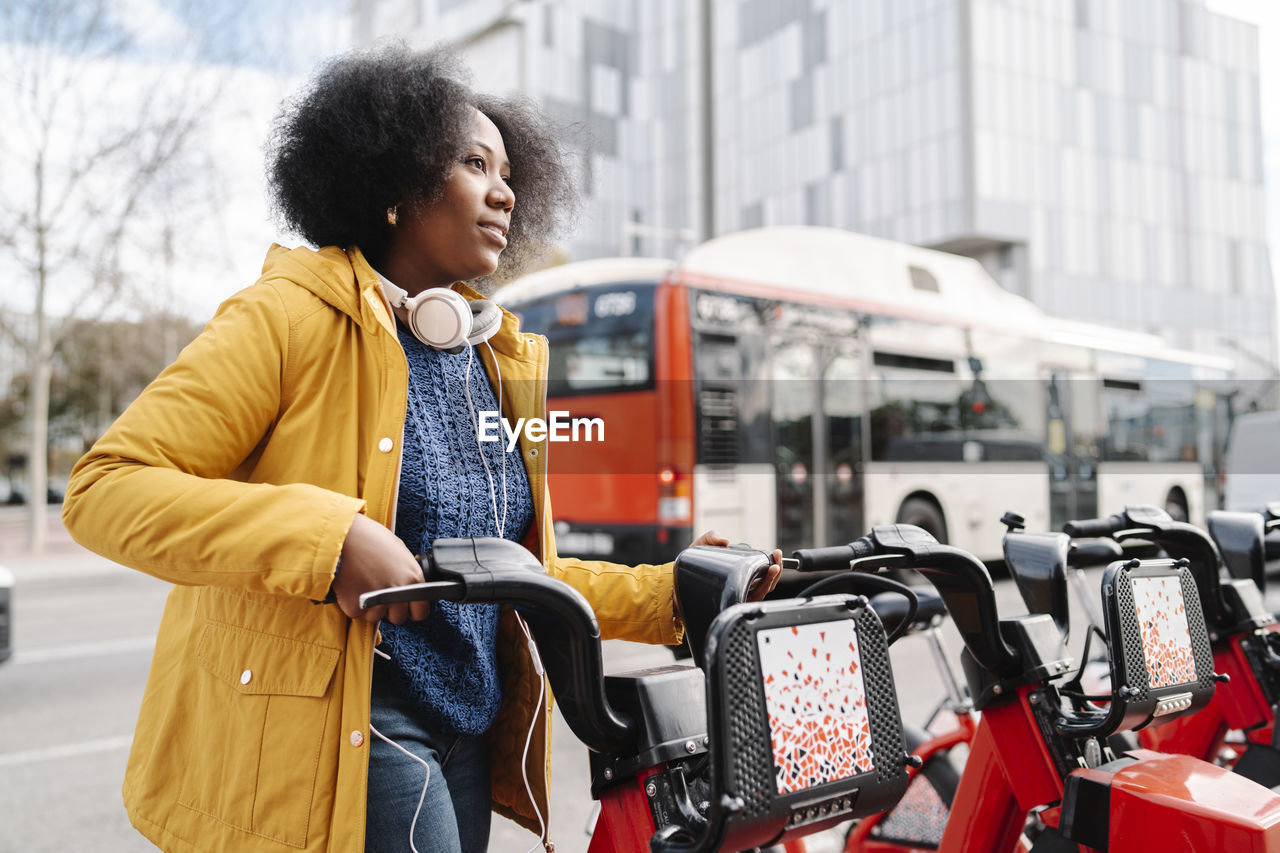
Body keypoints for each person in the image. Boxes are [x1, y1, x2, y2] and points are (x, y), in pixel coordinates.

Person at [61, 43, 779, 853]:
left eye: (510, 171)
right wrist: (327, 541)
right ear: (397, 186)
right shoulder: (288, 317)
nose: (504, 190)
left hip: (466, 727)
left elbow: (511, 566)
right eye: (475, 163)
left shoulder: (490, 361)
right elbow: (105, 489)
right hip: (360, 720)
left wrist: (670, 596)